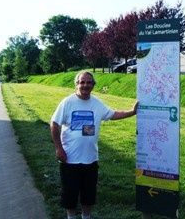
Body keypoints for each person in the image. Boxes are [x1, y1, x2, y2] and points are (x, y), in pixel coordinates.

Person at [50, 71, 137, 219]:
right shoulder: (67, 102)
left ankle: (86, 216)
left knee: (88, 193)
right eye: (82, 82)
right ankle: (71, 217)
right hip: (70, 159)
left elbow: (113, 114)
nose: (85, 85)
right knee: (70, 193)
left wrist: (132, 112)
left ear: (93, 85)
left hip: (90, 159)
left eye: (89, 82)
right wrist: (59, 148)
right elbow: (54, 124)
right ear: (76, 84)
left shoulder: (96, 103)